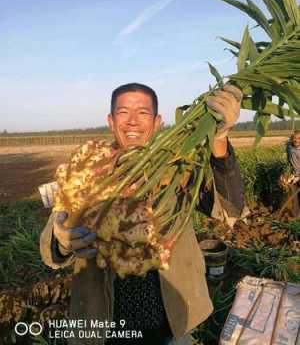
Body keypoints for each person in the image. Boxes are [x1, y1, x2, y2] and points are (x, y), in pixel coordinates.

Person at [40, 82, 246, 345]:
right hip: (104, 328)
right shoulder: (87, 169)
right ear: (111, 121)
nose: (133, 122)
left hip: (171, 323)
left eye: (143, 113)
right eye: (124, 112)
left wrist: (219, 139)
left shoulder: (178, 166)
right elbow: (50, 247)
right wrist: (60, 238)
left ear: (158, 121)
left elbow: (229, 209)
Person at [285, 130, 300, 216]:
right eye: (294, 138)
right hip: (294, 175)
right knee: (294, 197)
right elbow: (288, 160)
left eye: (299, 138)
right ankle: (295, 216)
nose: (296, 140)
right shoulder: (289, 147)